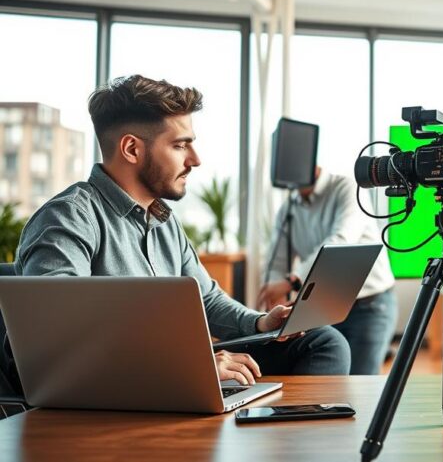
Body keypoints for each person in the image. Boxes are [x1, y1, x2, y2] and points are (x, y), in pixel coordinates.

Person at [5, 76, 351, 392]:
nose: (196, 159)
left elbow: (207, 300)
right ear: (131, 149)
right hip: (111, 383)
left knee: (322, 341)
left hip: (168, 366)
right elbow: (60, 340)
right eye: (180, 145)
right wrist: (191, 366)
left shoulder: (164, 222)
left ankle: (283, 437)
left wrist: (261, 322)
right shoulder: (68, 218)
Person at [257, 166, 397, 375]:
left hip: (370, 305)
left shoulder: (346, 188)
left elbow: (340, 241)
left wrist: (292, 281)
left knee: (360, 383)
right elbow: (276, 260)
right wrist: (274, 292)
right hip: (326, 307)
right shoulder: (289, 208)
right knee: (329, 384)